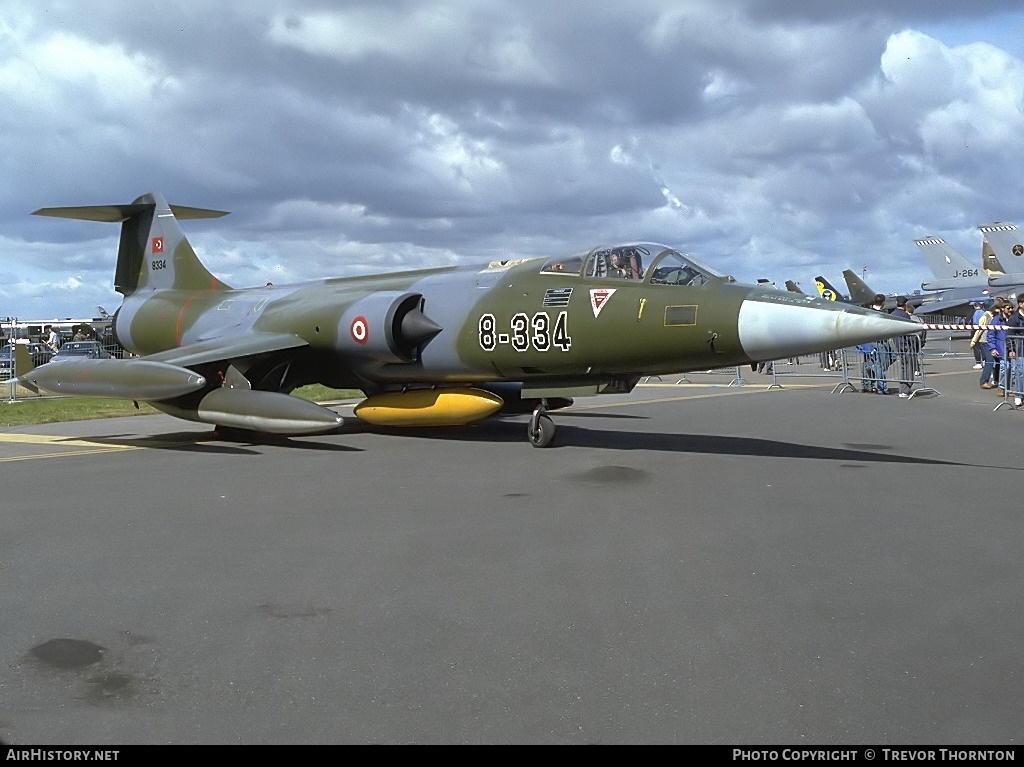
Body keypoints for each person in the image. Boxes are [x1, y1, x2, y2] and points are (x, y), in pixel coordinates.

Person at [889, 296, 913, 397]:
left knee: (902, 367)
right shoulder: (905, 315)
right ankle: (905, 389)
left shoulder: (892, 314)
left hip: (895, 343)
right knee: (908, 368)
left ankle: (902, 388)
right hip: (905, 344)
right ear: (904, 305)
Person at [972, 300, 997, 390]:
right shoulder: (985, 316)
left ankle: (996, 379)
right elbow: (979, 330)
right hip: (984, 341)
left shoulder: (994, 315)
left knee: (995, 360)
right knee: (989, 360)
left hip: (992, 341)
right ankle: (984, 381)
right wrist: (974, 341)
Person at [1006, 298, 1024, 407]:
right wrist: (1011, 349)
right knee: (1021, 372)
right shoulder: (1014, 318)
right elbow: (1009, 335)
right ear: (1020, 304)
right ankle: (1019, 395)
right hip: (1020, 348)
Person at [904, 303, 927, 376]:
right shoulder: (919, 319)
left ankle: (914, 369)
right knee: (914, 355)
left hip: (910, 339)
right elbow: (924, 330)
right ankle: (915, 369)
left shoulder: (907, 319)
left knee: (911, 355)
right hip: (919, 340)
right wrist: (923, 340)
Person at [971, 301, 985, 369]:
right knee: (983, 346)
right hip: (984, 330)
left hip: (976, 329)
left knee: (976, 347)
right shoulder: (984, 312)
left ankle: (978, 362)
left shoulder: (976, 313)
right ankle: (985, 361)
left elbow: (975, 322)